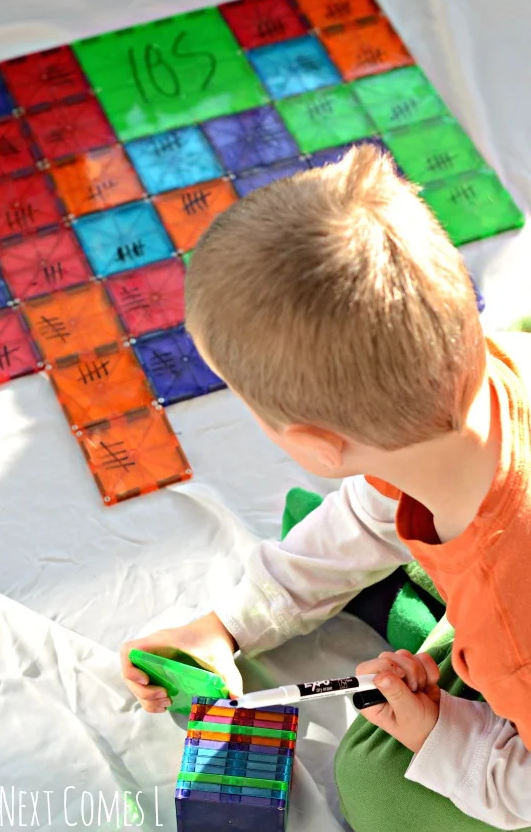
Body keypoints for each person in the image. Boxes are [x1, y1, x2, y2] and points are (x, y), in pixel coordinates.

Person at [120, 144, 531, 831]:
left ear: (315, 445)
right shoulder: (500, 365)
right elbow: (374, 511)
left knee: (374, 781)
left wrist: (444, 736)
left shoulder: (512, 631)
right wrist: (227, 625)